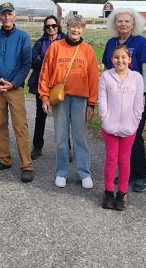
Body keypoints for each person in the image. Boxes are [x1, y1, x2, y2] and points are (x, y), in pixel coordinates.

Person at [37, 15, 99, 189]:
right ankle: (61, 171)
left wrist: (92, 103)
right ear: (67, 27)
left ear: (83, 30)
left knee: (80, 137)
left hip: (80, 98)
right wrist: (44, 96)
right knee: (61, 137)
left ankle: (84, 172)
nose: (76, 30)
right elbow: (45, 73)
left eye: (80, 27)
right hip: (60, 98)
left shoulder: (87, 50)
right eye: (73, 26)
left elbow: (94, 77)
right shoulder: (55, 47)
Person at [102, 8, 146, 193]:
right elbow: (106, 68)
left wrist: (144, 93)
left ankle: (139, 175)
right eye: (119, 21)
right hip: (115, 96)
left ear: (134, 24)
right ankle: (127, 172)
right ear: (114, 24)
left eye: (127, 21)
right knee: (117, 134)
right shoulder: (111, 43)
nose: (123, 24)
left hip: (135, 96)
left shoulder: (141, 42)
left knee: (134, 135)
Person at [0, 2, 35, 182]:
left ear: (14, 16)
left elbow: (25, 64)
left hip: (14, 88)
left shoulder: (22, 37)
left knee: (20, 126)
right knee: (0, 125)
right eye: (3, 14)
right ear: (0, 16)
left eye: (9, 14)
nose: (6, 17)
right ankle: (4, 159)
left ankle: (27, 165)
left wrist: (12, 83)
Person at [98, 45, 145, 211]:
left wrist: (135, 121)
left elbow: (139, 102)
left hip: (128, 127)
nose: (120, 60)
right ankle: (109, 191)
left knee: (124, 160)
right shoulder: (106, 76)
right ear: (112, 60)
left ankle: (122, 192)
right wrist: (104, 118)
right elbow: (102, 99)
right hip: (109, 126)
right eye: (116, 57)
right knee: (111, 159)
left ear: (129, 60)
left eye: (123, 57)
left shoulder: (137, 78)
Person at [28, 15, 66, 160]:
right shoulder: (40, 43)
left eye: (53, 26)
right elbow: (33, 61)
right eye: (48, 26)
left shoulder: (65, 40)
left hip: (60, 85)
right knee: (40, 116)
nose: (51, 28)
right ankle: (37, 147)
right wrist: (49, 61)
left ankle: (65, 148)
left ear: (58, 26)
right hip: (42, 83)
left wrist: (43, 59)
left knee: (62, 118)